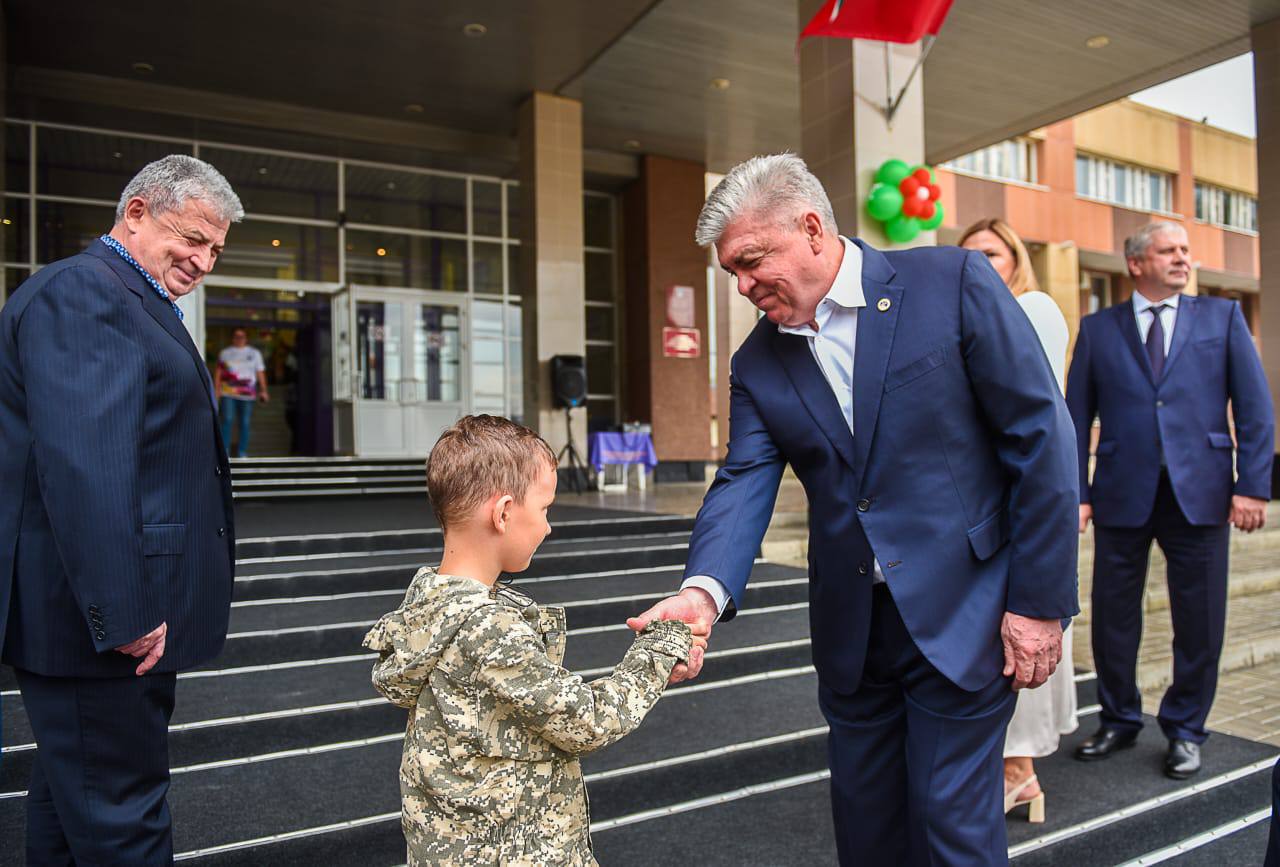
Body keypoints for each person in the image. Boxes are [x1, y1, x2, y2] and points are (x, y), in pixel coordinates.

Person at [629, 154, 1078, 866]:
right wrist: (703, 590)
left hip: (968, 612)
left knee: (951, 835)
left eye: (751, 261)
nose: (744, 286)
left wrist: (1040, 602)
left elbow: (1041, 436)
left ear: (811, 227)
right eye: (732, 274)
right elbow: (744, 476)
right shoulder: (755, 363)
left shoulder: (951, 283)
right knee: (867, 838)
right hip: (854, 636)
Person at [0, 154, 242, 863]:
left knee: (74, 801)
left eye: (215, 251)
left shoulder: (128, 296)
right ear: (136, 211)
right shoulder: (87, 294)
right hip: (98, 625)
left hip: (94, 624)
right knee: (122, 820)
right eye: (192, 238)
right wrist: (125, 609)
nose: (202, 261)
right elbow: (86, 466)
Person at [363, 414, 693, 866]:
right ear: (502, 513)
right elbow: (588, 721)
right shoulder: (489, 628)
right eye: (544, 509)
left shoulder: (426, 604)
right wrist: (662, 647)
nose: (548, 526)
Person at [1066, 221, 1273, 780]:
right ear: (1136, 263)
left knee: (1200, 620)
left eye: (1186, 250)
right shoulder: (1097, 329)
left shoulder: (1222, 318)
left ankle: (1185, 728)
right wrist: (1077, 495)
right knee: (1112, 618)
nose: (1183, 258)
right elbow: (1074, 417)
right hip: (1119, 495)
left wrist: (1252, 485)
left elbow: (1254, 410)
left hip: (1202, 494)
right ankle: (1119, 717)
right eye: (1169, 250)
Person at [960, 218, 1078, 822]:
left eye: (990, 254)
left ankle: (1019, 772)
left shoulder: (1032, 307)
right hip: (977, 503)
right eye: (968, 256)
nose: (978, 265)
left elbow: (1035, 418)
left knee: (1022, 634)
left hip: (1019, 499)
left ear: (1016, 260)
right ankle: (1012, 772)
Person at [214, 327, 270, 457]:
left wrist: (264, 390)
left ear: (246, 338)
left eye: (242, 336)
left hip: (247, 395)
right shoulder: (225, 353)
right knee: (227, 420)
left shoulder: (254, 353)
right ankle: (224, 452)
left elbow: (260, 372)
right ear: (232, 338)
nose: (239, 339)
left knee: (245, 423)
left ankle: (242, 452)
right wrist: (216, 389)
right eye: (236, 336)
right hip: (228, 393)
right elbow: (218, 373)